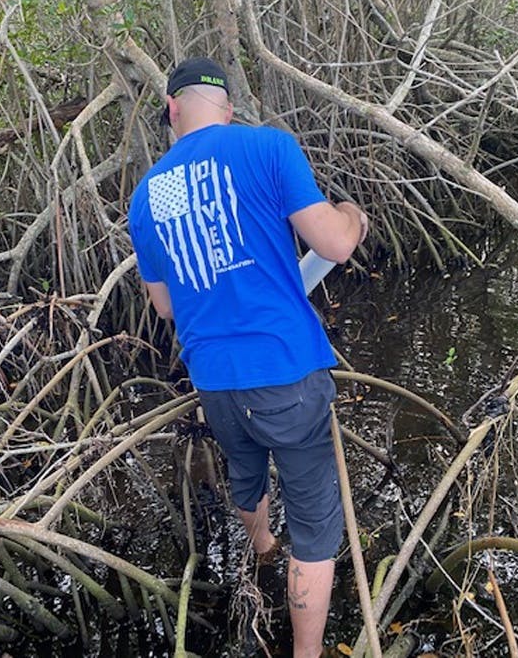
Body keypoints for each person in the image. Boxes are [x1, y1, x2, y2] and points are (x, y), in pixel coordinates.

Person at [128, 56, 368, 658]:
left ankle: (260, 552)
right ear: (228, 109)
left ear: (172, 110)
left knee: (246, 468)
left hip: (214, 377)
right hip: (287, 369)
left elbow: (163, 307)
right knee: (314, 526)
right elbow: (333, 243)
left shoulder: (147, 195)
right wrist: (354, 217)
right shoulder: (267, 147)